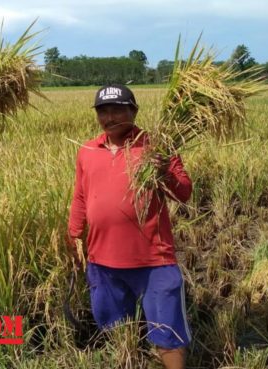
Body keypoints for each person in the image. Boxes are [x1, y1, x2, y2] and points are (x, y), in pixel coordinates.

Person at [67, 84, 193, 369]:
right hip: (102, 260)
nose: (110, 118)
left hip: (153, 260)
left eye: (117, 110)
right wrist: (74, 235)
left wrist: (164, 173)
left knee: (168, 332)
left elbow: (184, 193)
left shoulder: (157, 147)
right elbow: (81, 196)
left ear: (134, 111)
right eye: (103, 111)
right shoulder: (87, 150)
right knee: (114, 327)